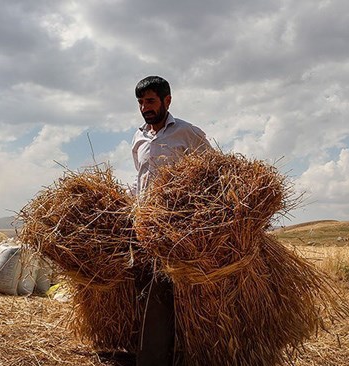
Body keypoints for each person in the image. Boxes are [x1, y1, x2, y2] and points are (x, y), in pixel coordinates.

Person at [131, 76, 211, 366]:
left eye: (150, 101)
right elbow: (141, 180)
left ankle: (159, 359)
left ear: (167, 100)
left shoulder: (187, 133)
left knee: (163, 292)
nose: (144, 108)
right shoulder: (138, 137)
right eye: (140, 102)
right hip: (142, 227)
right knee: (143, 290)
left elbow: (212, 174)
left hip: (175, 228)